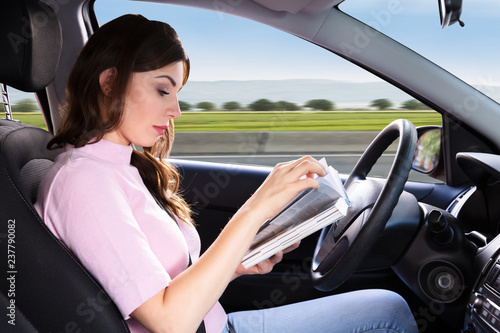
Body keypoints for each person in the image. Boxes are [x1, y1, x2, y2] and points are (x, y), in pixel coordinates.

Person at [35, 14, 418, 333]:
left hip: (218, 324)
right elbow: (169, 320)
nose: (176, 111)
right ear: (108, 82)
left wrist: (234, 267)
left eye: (178, 93)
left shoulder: (119, 166)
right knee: (389, 315)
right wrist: (256, 207)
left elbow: (164, 285)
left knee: (386, 307)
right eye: (163, 90)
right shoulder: (84, 182)